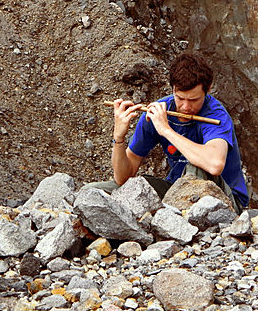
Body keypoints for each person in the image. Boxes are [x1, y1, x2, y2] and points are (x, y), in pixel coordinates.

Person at [106, 52, 249, 212]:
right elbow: (122, 178)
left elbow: (215, 164)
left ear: (207, 90)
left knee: (196, 169)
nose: (186, 107)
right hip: (176, 193)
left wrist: (166, 130)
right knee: (107, 190)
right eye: (180, 98)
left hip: (225, 200)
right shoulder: (158, 112)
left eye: (193, 100)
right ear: (172, 89)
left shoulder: (216, 114)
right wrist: (118, 138)